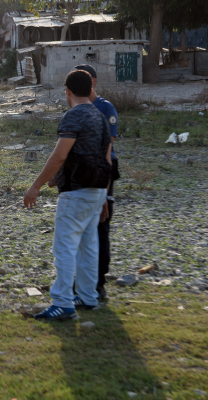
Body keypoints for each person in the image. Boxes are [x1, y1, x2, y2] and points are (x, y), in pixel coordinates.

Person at [23, 70, 112, 321]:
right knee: (88, 247)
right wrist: (104, 197)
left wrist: (36, 186)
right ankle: (87, 297)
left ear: (68, 92)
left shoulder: (73, 116)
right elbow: (107, 160)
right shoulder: (101, 117)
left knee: (64, 248)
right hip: (96, 191)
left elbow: (59, 156)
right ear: (90, 89)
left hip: (75, 192)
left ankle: (63, 303)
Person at [73, 64, 120, 302]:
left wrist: (103, 187)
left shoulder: (104, 108)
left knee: (100, 226)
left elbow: (106, 151)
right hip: (79, 174)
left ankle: (99, 282)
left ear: (93, 82)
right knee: (77, 228)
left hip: (101, 173)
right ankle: (77, 282)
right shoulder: (75, 107)